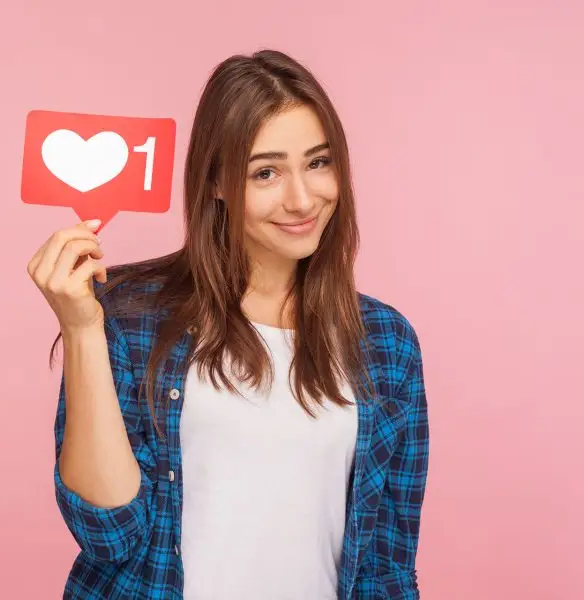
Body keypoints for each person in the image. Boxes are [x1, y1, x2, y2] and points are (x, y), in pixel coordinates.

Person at [27, 49, 429, 600]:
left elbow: (387, 564)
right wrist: (80, 329)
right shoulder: (129, 316)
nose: (302, 198)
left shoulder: (386, 343)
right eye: (266, 171)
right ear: (215, 181)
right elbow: (109, 533)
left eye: (318, 162)